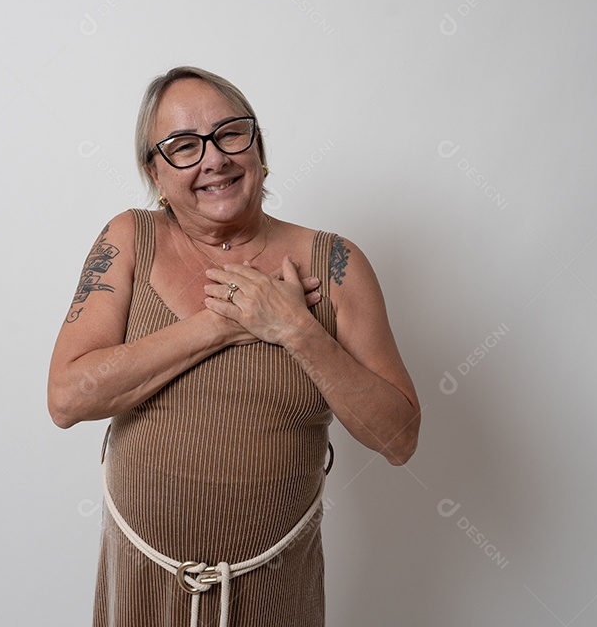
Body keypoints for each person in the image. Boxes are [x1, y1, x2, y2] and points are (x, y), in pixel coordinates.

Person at [48, 66, 420, 627]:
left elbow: (399, 438)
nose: (213, 159)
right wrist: (224, 324)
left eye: (230, 134)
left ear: (259, 149)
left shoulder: (335, 264)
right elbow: (67, 397)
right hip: (140, 592)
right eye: (182, 146)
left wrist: (295, 328)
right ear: (154, 172)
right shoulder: (127, 238)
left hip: (275, 595)